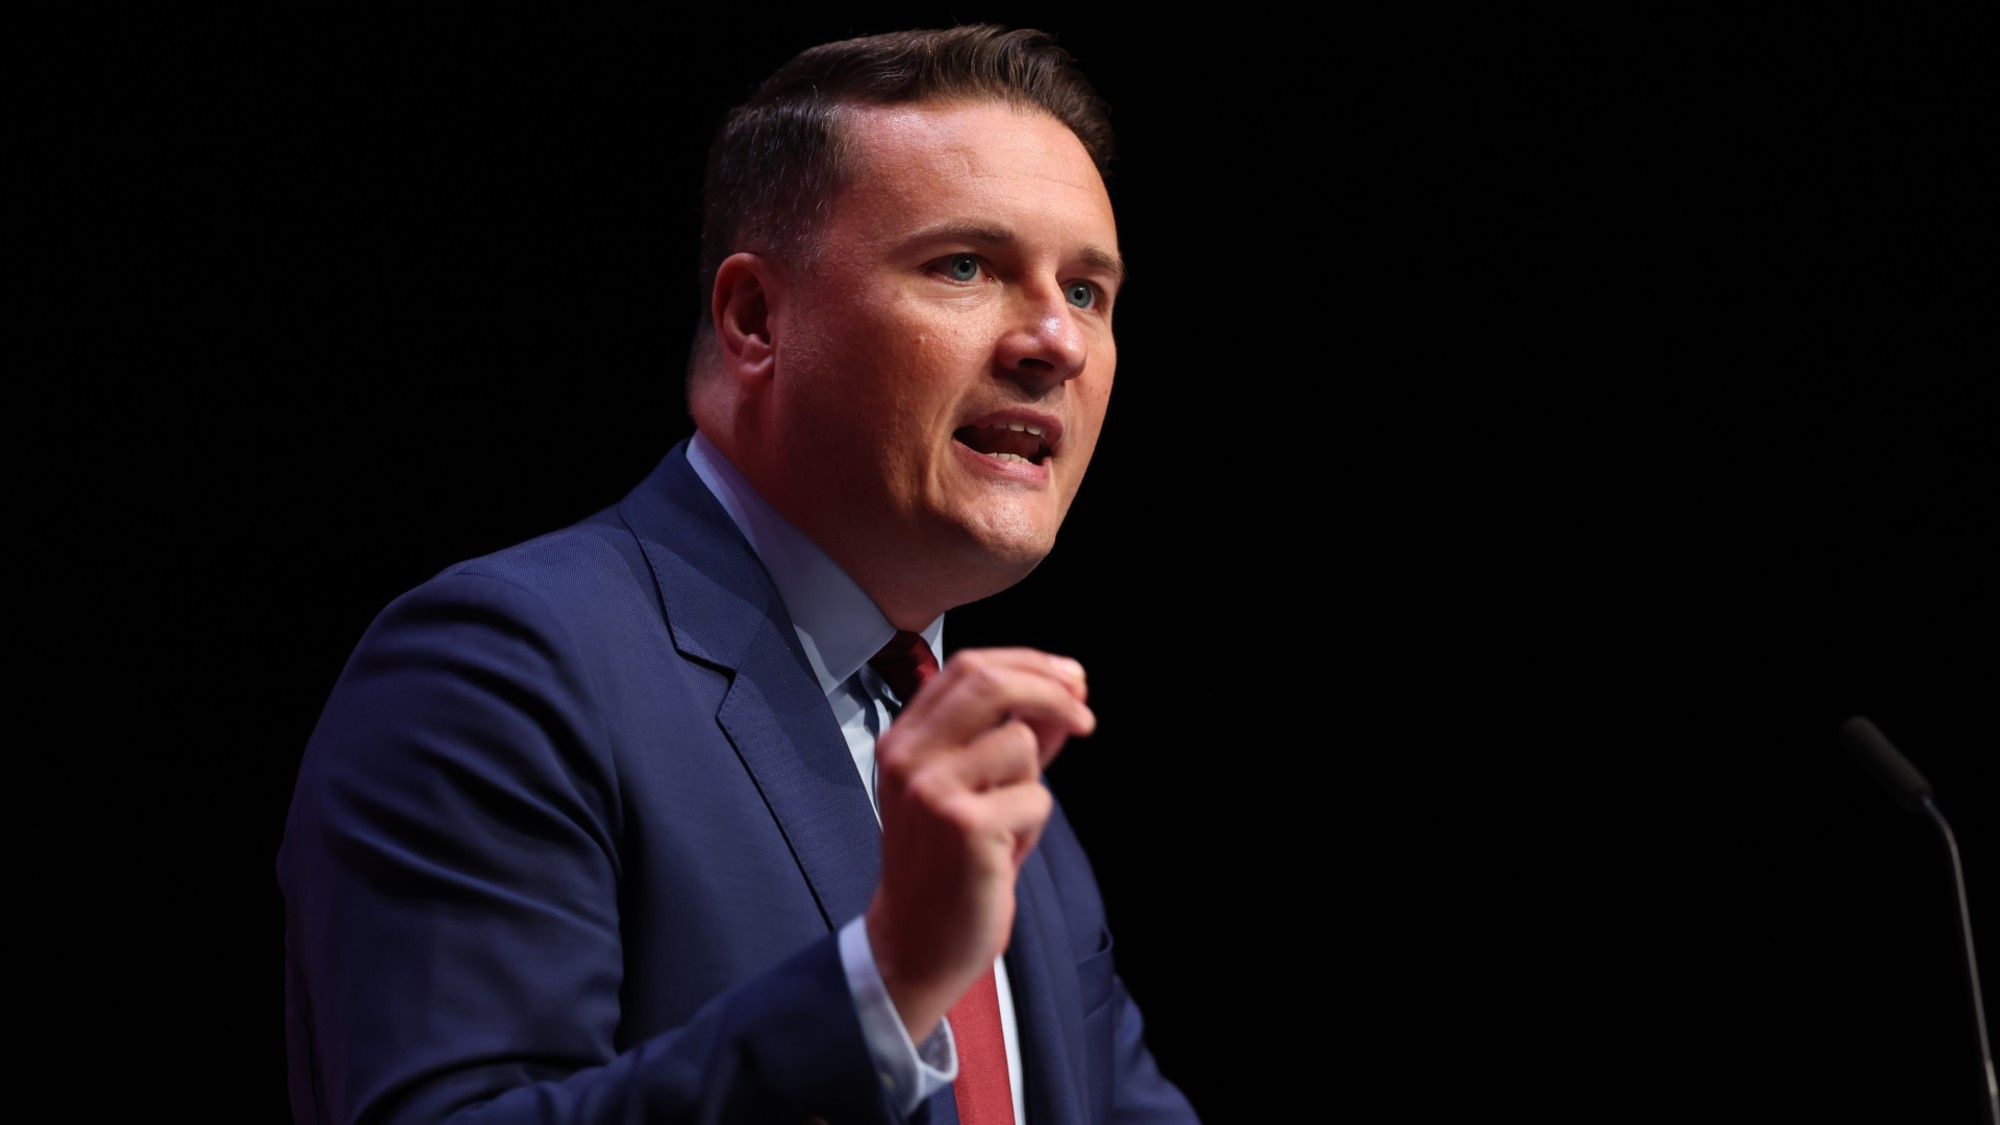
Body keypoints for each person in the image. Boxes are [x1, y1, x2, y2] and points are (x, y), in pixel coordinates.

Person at [277, 23, 1200, 1125]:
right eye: (965, 266)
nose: (1057, 340)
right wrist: (886, 985)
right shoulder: (498, 675)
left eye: (1087, 291)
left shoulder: (998, 786)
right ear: (757, 319)